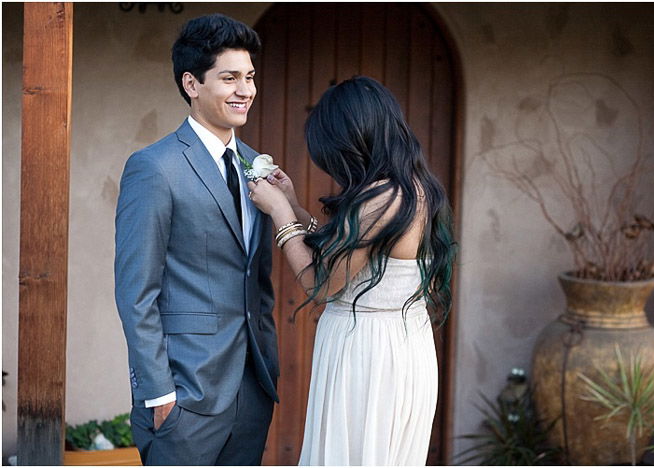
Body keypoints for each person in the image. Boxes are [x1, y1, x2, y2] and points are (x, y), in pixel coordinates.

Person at [248, 76, 456, 465]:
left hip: (371, 352)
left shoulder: (382, 199)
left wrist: (278, 214)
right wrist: (293, 205)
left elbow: (321, 283)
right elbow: (344, 257)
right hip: (399, 342)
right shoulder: (410, 187)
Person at [114, 14, 278, 465]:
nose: (245, 89)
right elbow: (136, 291)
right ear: (191, 83)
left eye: (248, 77)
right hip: (184, 395)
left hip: (251, 388)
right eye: (229, 78)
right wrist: (158, 393)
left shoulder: (255, 164)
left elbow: (256, 279)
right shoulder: (155, 167)